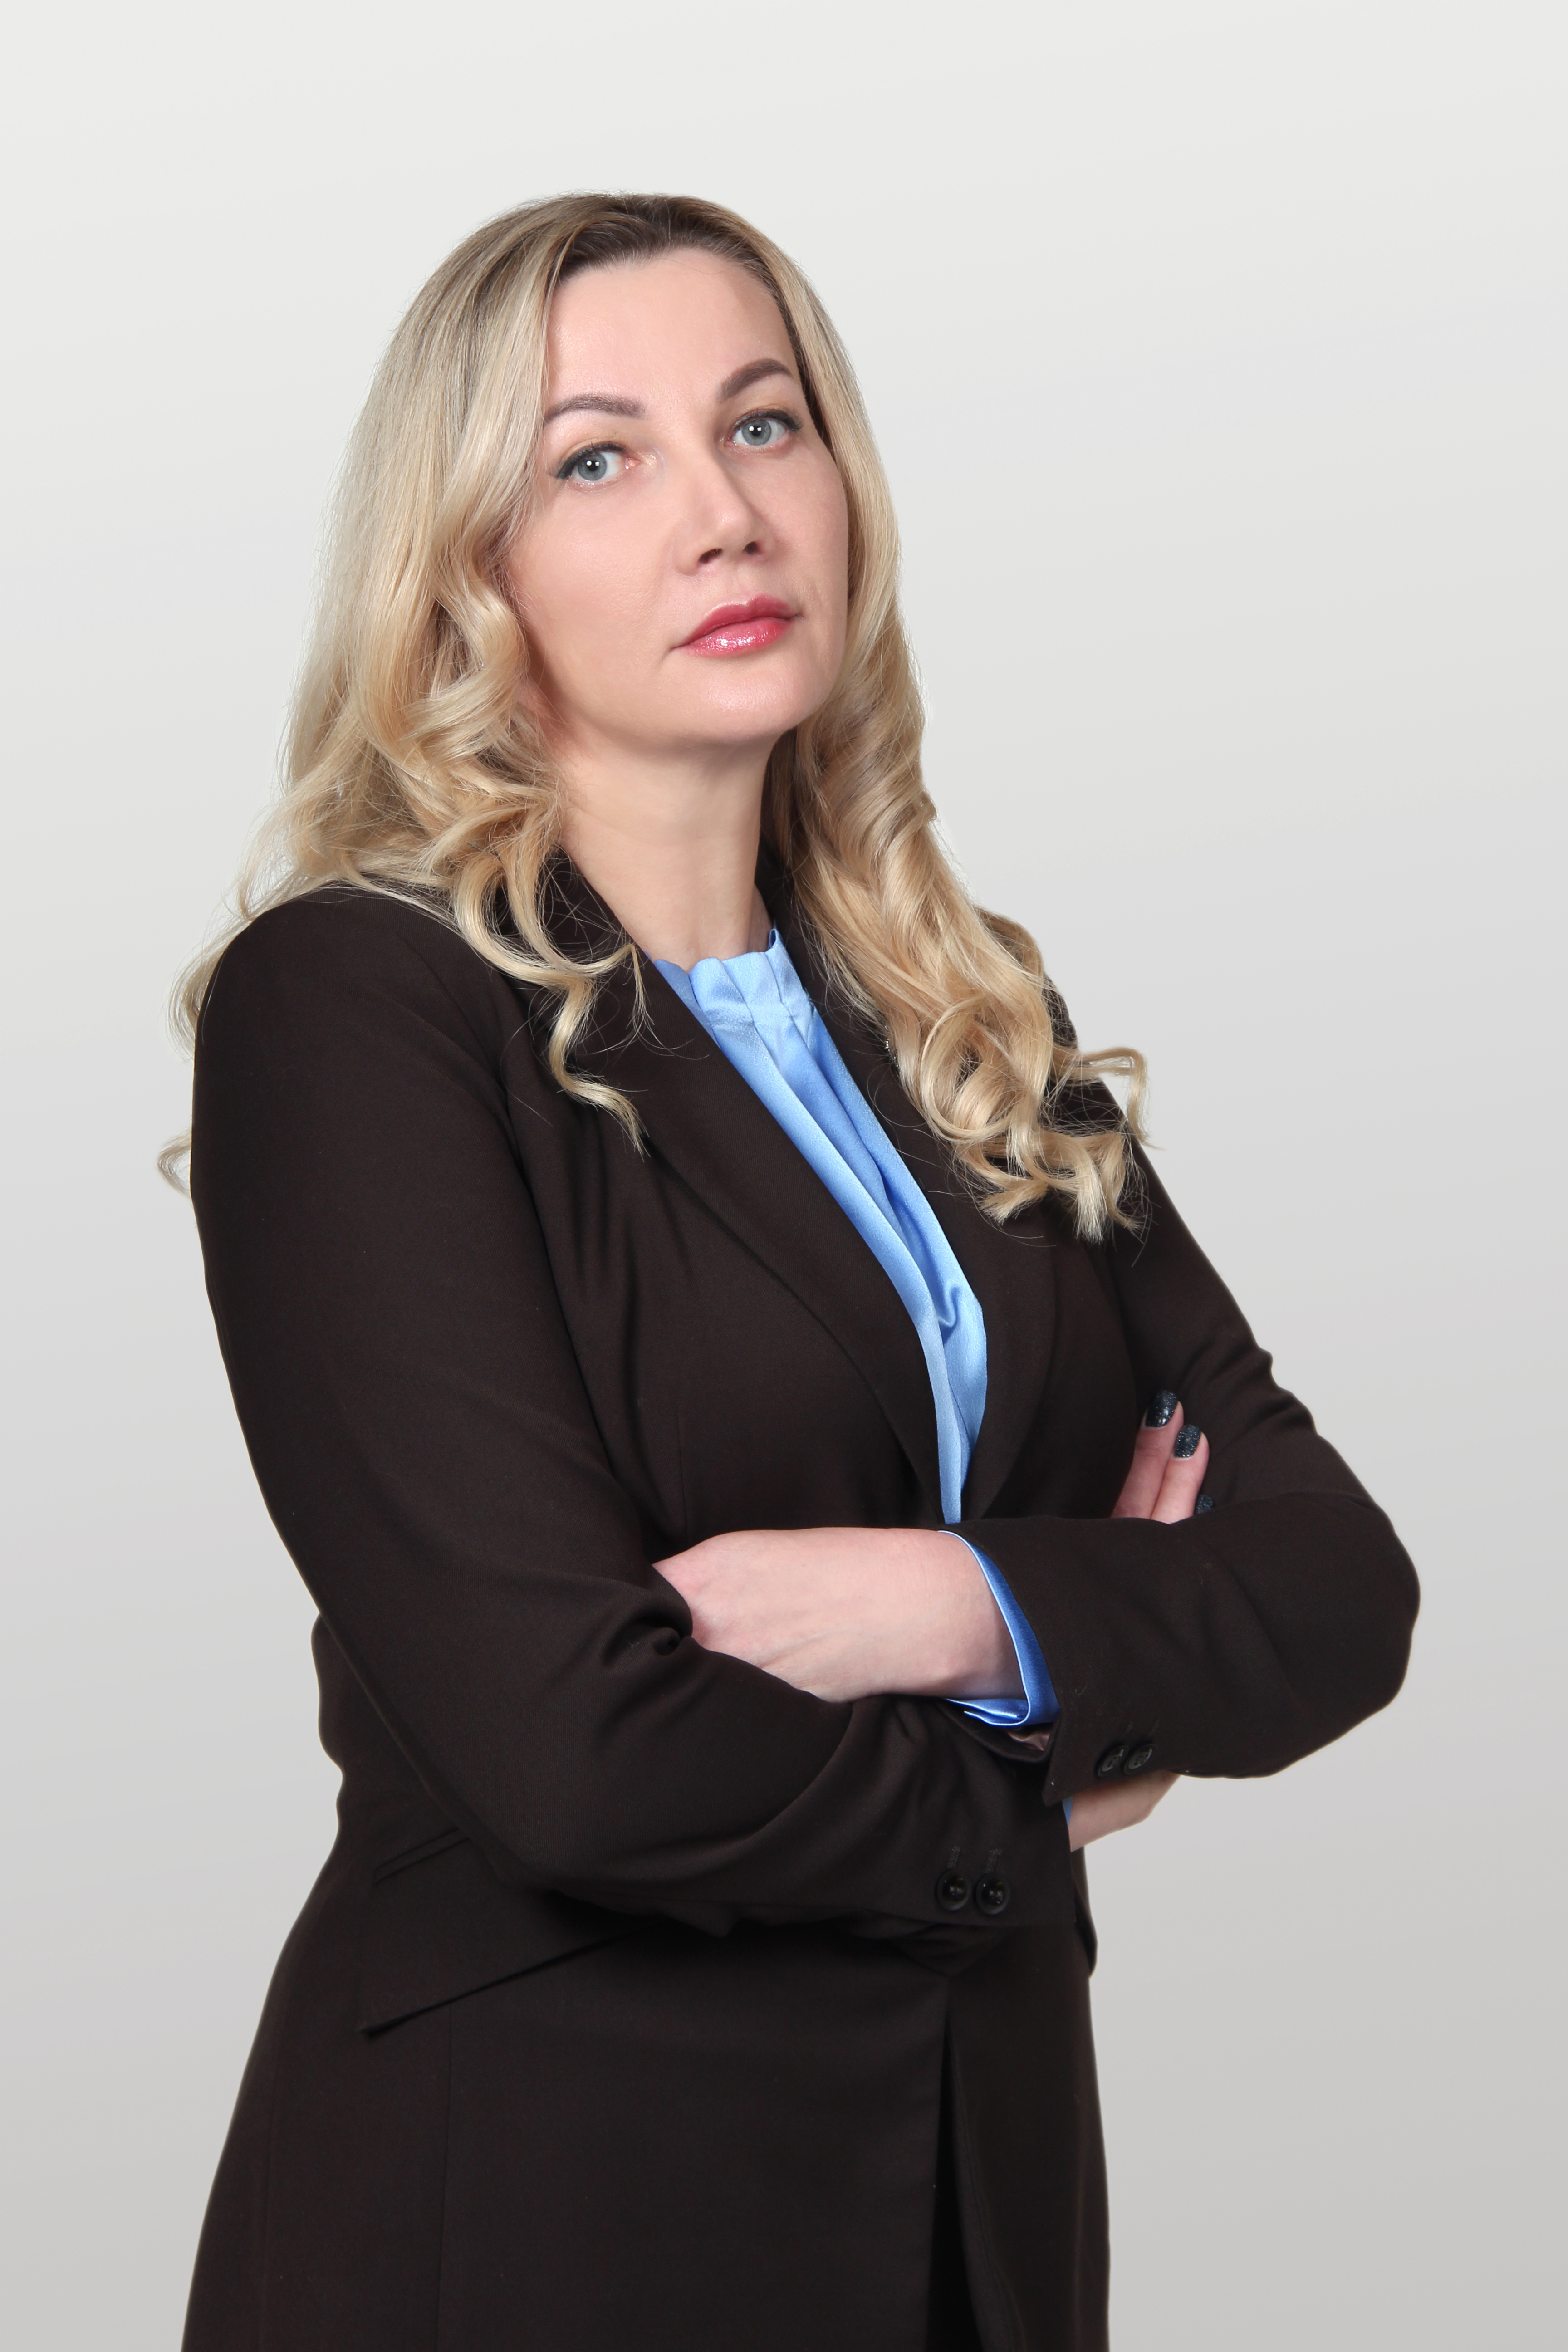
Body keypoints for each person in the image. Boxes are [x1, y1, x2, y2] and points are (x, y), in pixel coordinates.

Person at [171, 193, 1418, 2352]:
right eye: (600, 457)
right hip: (551, 2210)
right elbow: (573, 1748)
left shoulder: (964, 1012)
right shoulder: (359, 1008)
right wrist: (1052, 1753)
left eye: (765, 424)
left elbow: (1332, 1584)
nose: (725, 513)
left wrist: (953, 1607)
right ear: (468, 570)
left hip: (978, 2218)